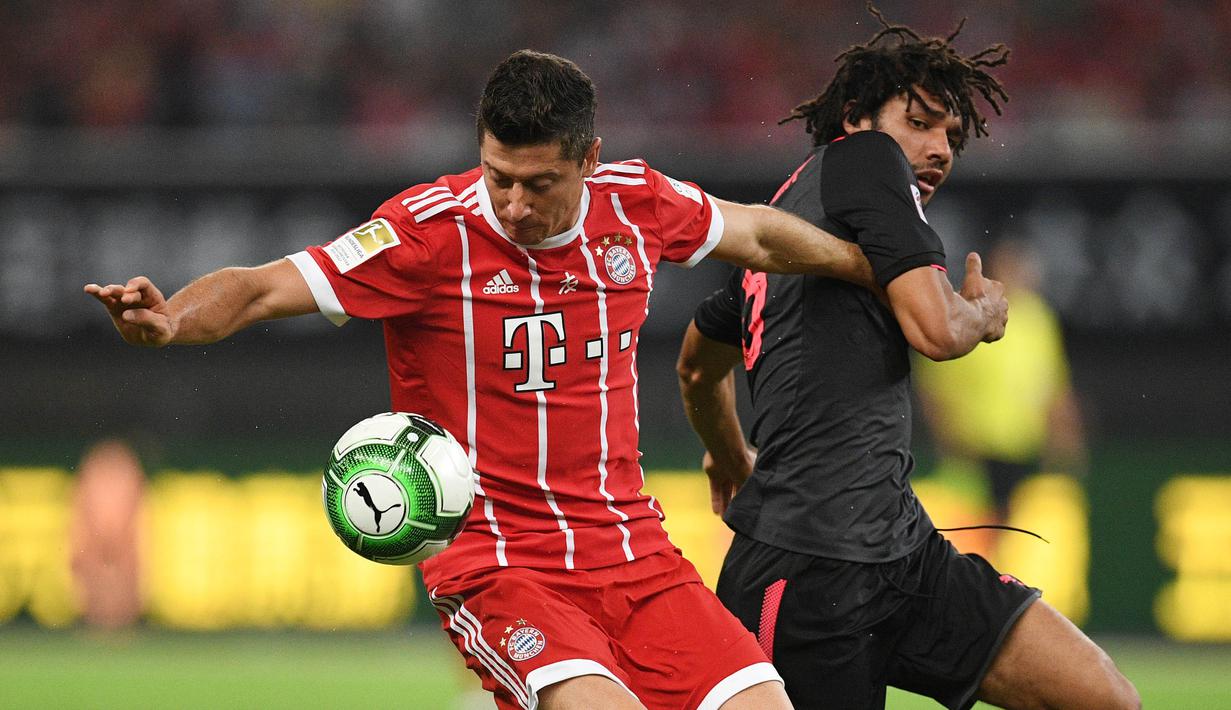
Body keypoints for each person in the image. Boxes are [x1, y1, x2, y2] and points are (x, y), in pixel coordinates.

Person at [85, 50, 878, 710]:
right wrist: (172, 319)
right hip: (499, 562)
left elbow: (756, 234)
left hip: (632, 549)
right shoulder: (425, 234)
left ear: (589, 161)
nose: (514, 204)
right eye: (499, 176)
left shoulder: (637, 204)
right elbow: (263, 287)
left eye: (540, 183)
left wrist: (872, 268)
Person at [676, 9, 1139, 710]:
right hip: (805, 572)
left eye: (950, 136)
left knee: (1103, 696)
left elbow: (696, 361)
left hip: (903, 552)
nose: (938, 150)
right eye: (918, 123)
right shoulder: (865, 161)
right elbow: (937, 332)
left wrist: (726, 451)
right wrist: (984, 313)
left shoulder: (796, 224)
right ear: (855, 119)